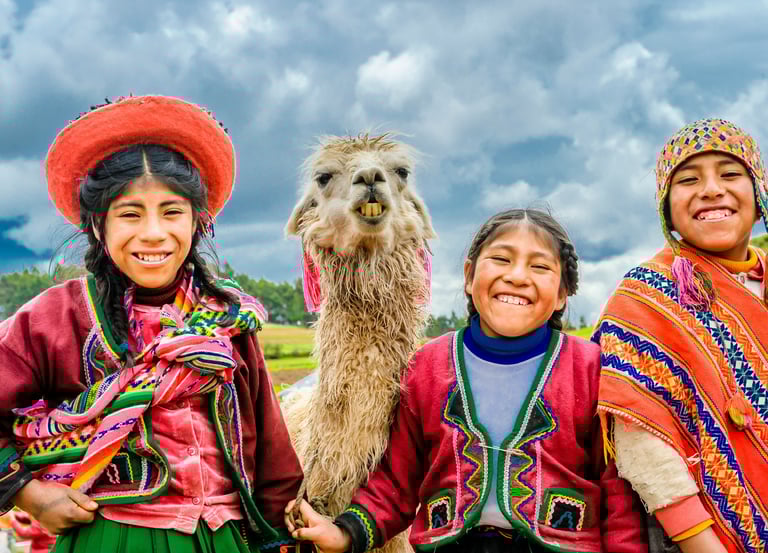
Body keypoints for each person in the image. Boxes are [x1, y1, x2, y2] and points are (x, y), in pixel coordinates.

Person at [0, 95, 304, 552]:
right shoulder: (57, 317)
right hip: (112, 537)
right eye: (129, 214)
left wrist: (279, 536)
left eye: (172, 211)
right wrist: (29, 493)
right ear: (97, 227)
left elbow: (272, 449)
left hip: (224, 538)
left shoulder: (227, 319)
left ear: (198, 221)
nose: (154, 234)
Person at [285, 208, 646, 553]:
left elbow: (616, 487)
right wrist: (345, 532)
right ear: (470, 276)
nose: (518, 276)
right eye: (502, 260)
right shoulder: (428, 366)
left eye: (539, 266)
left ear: (563, 295)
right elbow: (397, 482)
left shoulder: (589, 369)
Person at [594, 118, 768, 553]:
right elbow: (641, 440)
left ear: (759, 192)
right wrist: (699, 543)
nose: (711, 189)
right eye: (689, 180)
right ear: (666, 208)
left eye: (730, 174)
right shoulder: (644, 299)